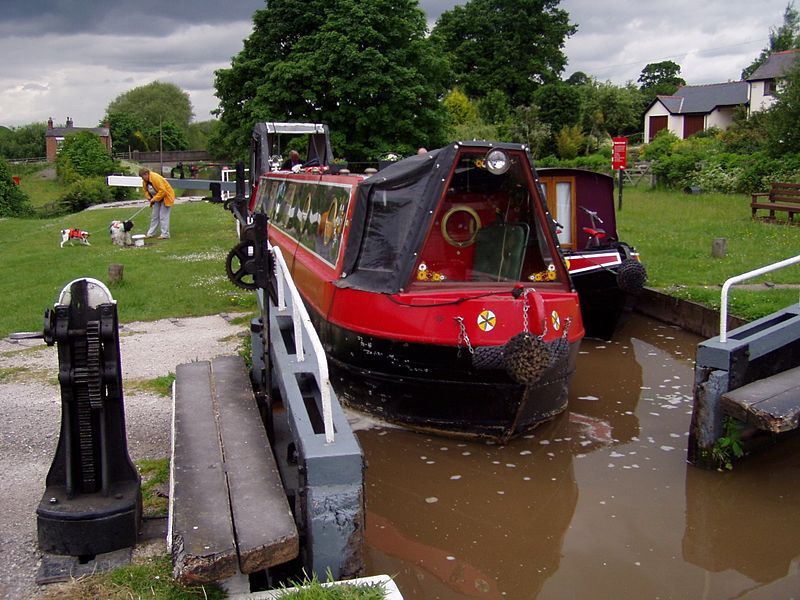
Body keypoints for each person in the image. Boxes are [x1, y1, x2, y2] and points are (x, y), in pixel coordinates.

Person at [139, 168, 175, 239]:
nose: (143, 179)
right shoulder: (145, 181)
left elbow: (163, 191)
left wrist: (154, 199)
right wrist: (149, 197)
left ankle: (165, 234)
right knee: (154, 216)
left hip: (166, 197)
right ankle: (151, 233)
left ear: (146, 174)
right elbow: (145, 190)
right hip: (156, 198)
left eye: (143, 177)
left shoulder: (156, 178)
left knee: (163, 216)